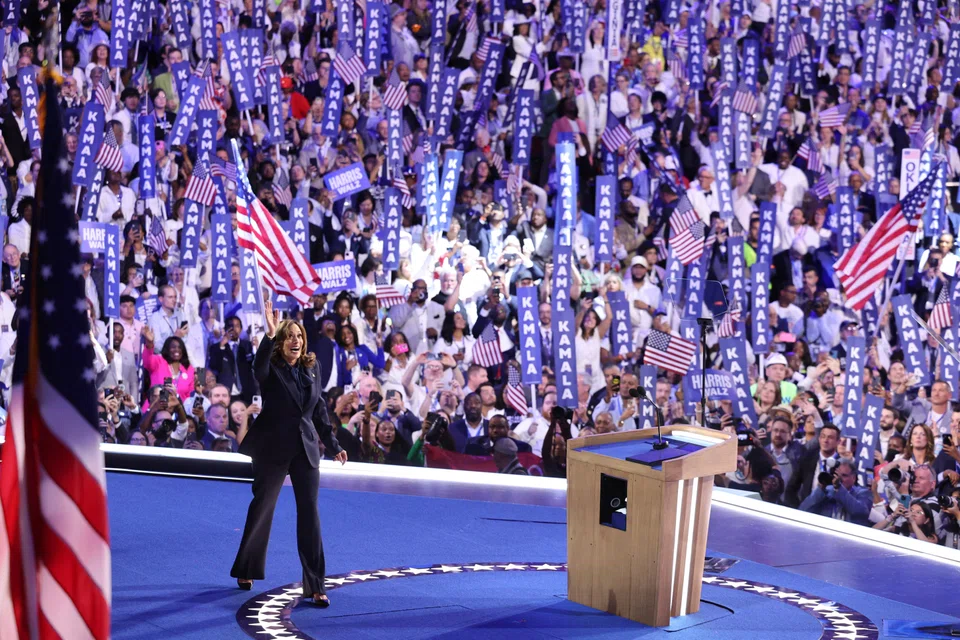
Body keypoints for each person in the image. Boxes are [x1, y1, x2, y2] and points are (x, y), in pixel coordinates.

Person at [231, 301, 348, 606]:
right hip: (273, 448)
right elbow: (258, 370)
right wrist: (269, 335)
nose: (295, 340)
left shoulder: (312, 367)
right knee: (263, 506)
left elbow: (319, 409)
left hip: (306, 449)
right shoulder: (271, 369)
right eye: (289, 336)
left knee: (310, 514)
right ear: (281, 342)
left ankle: (316, 584)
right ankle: (247, 568)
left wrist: (333, 445)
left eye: (299, 336)